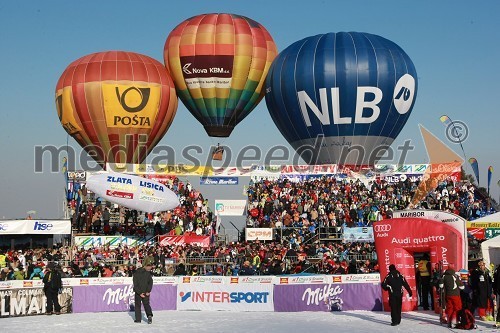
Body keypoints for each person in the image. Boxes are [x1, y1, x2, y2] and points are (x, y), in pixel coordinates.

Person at [133, 256, 154, 324]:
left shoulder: (135, 274)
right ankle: (149, 315)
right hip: (146, 292)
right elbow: (150, 282)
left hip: (138, 293)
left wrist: (139, 293)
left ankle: (138, 319)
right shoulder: (147, 273)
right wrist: (148, 291)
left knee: (137, 306)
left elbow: (135, 285)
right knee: (146, 304)